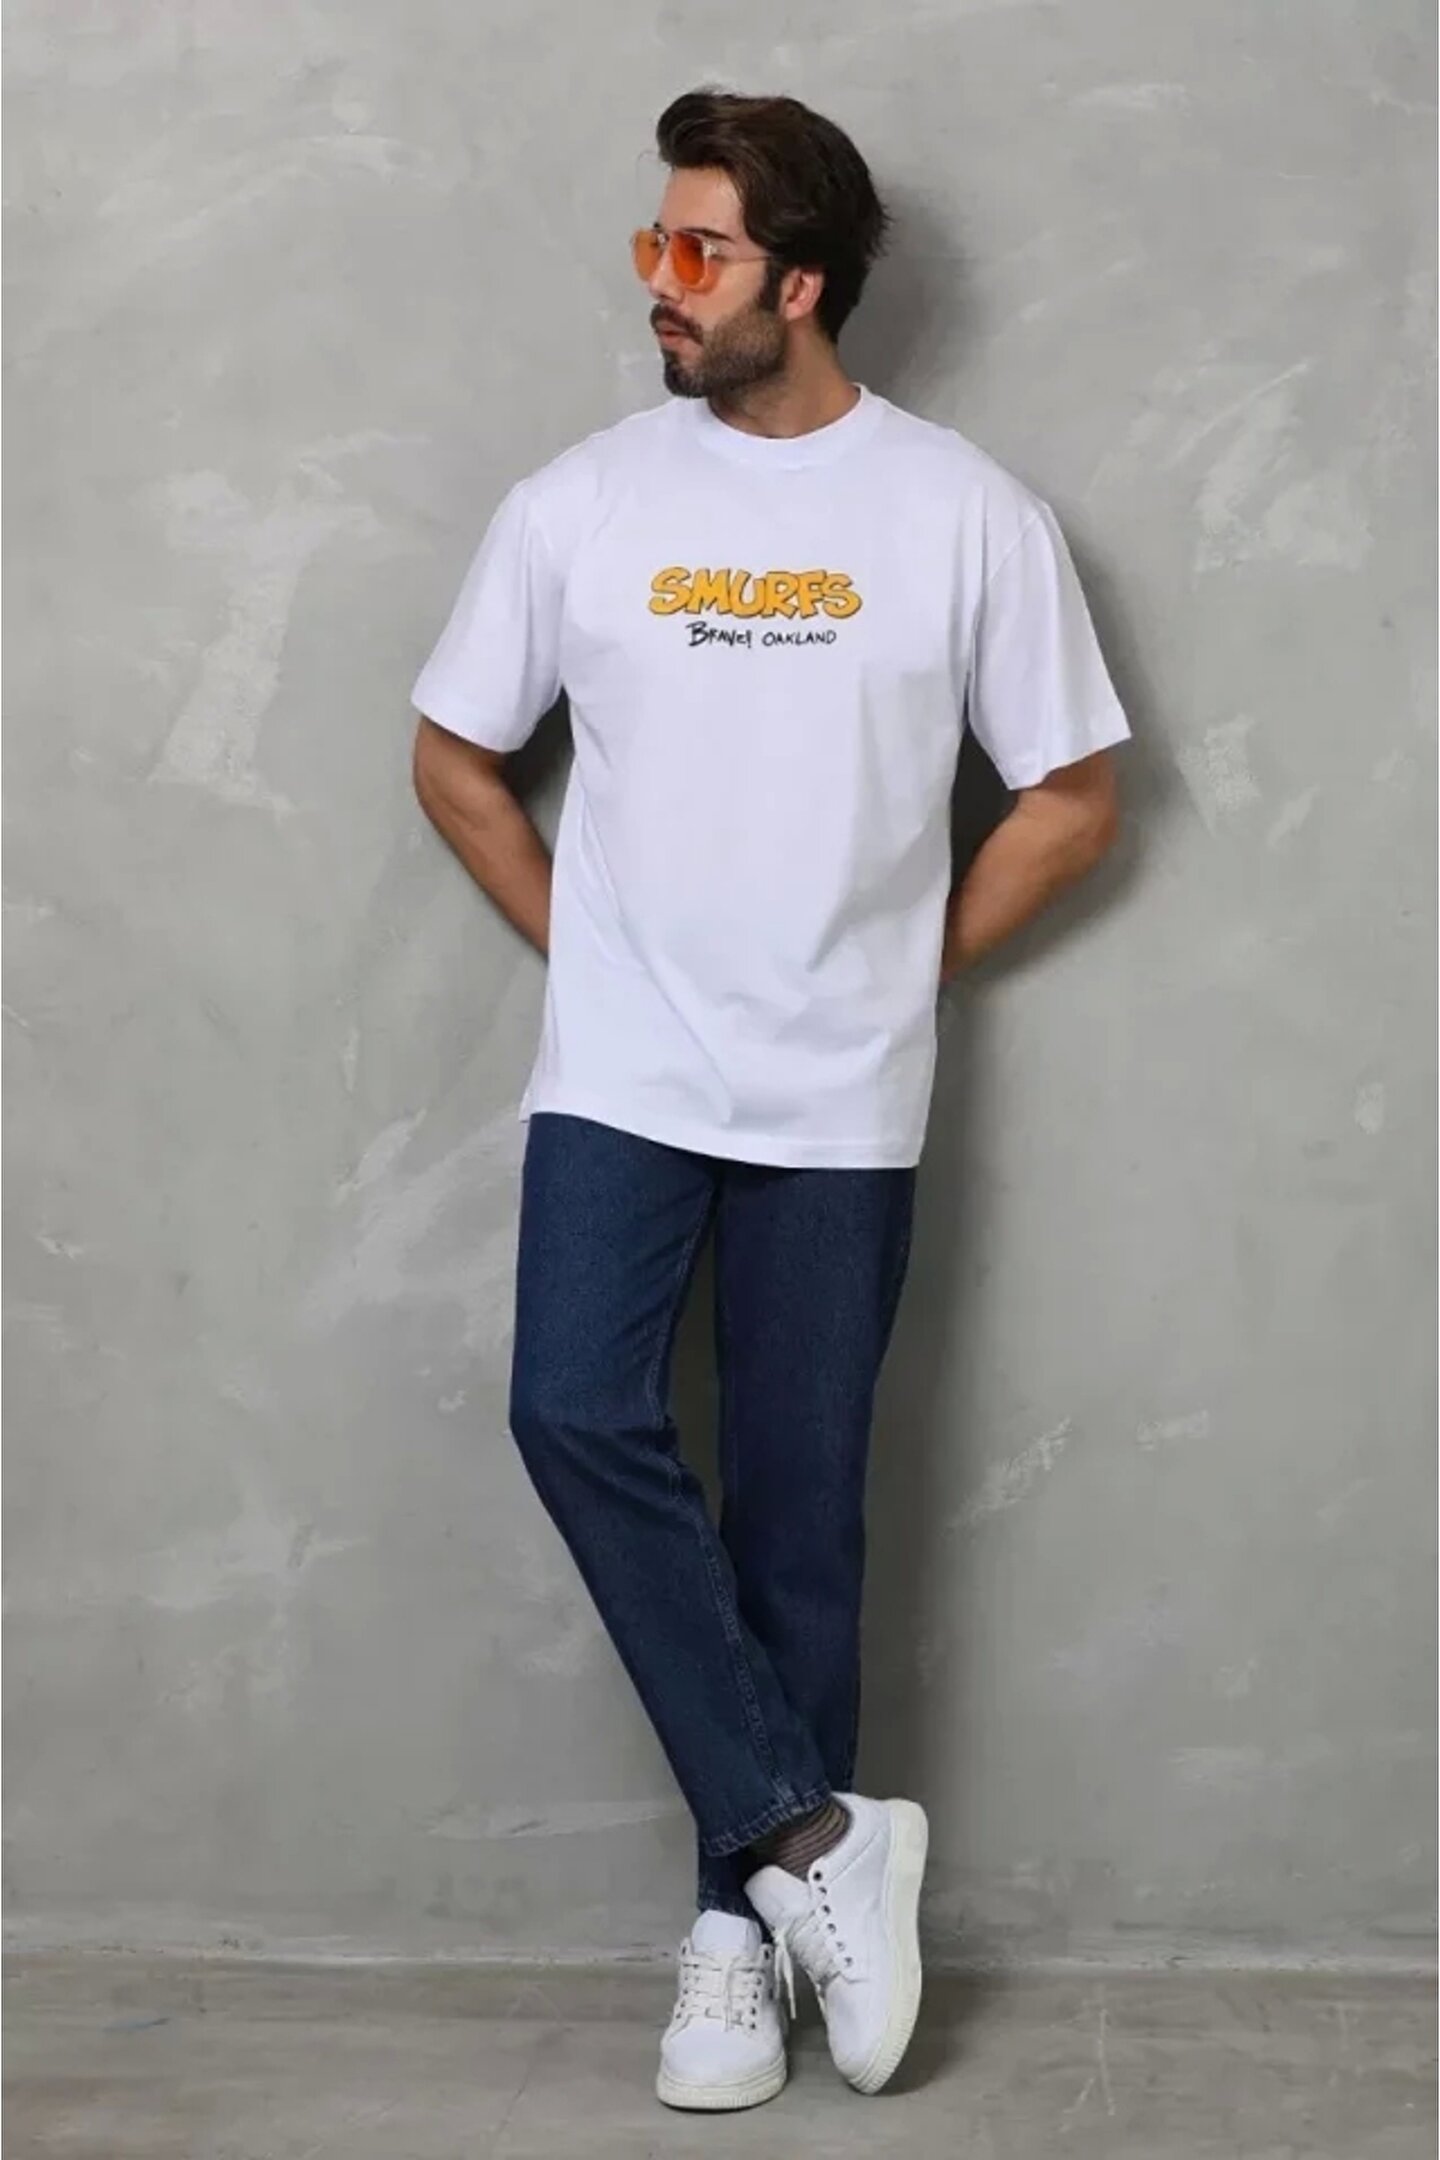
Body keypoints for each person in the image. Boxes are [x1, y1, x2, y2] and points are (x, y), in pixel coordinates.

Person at [411, 87, 1130, 2112]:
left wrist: (905, 962)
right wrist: (592, 949)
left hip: (842, 1095)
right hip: (624, 1079)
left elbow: (1074, 796)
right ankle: (817, 1837)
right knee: (573, 1407)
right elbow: (455, 758)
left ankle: (735, 1936)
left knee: (801, 1516)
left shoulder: (963, 515)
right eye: (657, 242)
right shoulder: (581, 504)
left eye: (699, 250)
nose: (661, 281)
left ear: (801, 286)